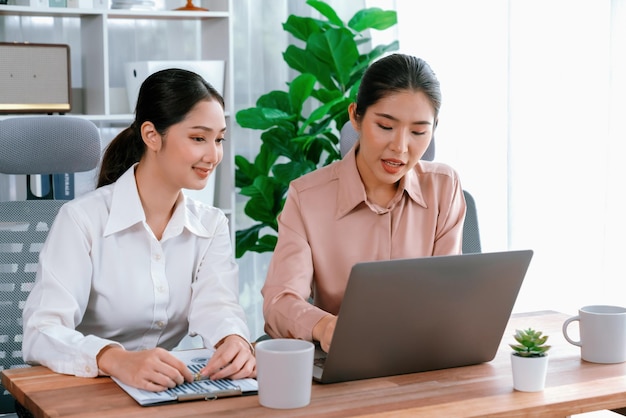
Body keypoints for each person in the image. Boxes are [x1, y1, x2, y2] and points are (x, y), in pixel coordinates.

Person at [22, 68, 255, 392]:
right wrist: (115, 359)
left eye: (219, 139)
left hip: (161, 391)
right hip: (86, 392)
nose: (213, 155)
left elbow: (217, 306)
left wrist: (233, 339)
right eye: (198, 138)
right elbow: (40, 331)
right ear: (151, 135)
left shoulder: (211, 225)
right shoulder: (81, 220)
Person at [262, 53, 467, 352]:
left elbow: (449, 293)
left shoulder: (444, 187)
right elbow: (279, 301)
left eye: (419, 132)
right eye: (385, 126)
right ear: (355, 116)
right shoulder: (307, 198)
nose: (400, 147)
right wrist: (325, 326)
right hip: (346, 359)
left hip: (424, 357)